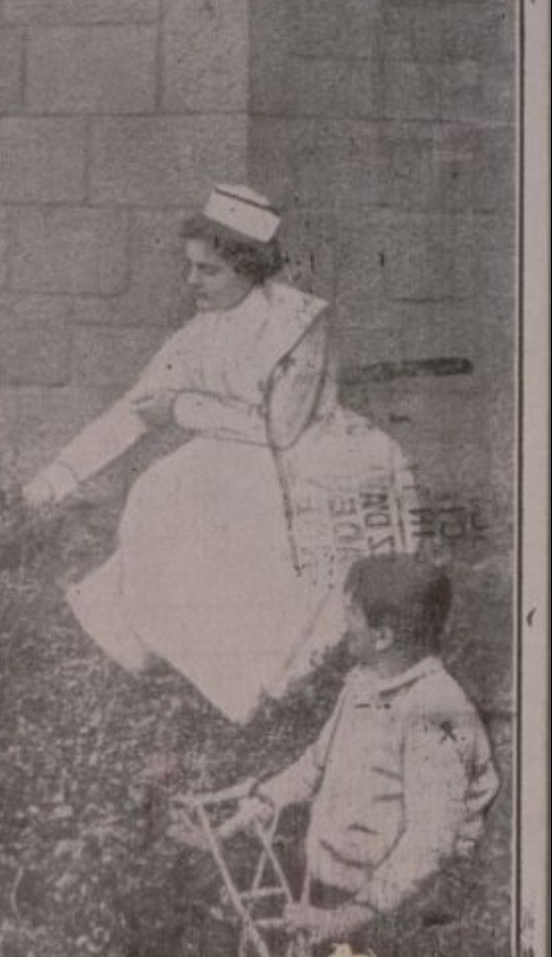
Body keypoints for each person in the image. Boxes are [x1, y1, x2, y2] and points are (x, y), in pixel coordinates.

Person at [110, 553, 500, 957]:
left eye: (351, 616)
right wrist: (230, 823)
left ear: (384, 634)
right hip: (330, 872)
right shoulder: (363, 683)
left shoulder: (438, 712)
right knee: (256, 956)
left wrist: (346, 916)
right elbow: (311, 768)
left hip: (391, 902)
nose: (344, 627)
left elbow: (430, 845)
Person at [23, 181, 417, 725]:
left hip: (308, 453)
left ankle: (261, 681)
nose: (191, 281)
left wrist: (184, 408)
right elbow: (134, 410)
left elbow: (282, 427)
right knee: (160, 493)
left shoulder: (300, 322)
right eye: (189, 267)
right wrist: (50, 481)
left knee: (211, 506)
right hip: (234, 451)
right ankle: (195, 665)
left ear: (248, 267)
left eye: (207, 270)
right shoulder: (200, 331)